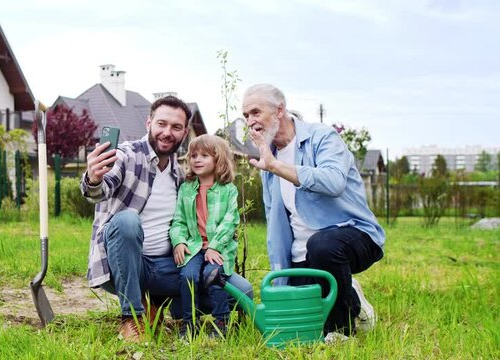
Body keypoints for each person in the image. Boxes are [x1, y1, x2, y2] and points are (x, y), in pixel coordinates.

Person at [81, 95, 252, 342]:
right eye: (161, 124)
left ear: (184, 133)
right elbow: (99, 190)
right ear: (149, 122)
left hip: (167, 266)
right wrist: (94, 178)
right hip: (126, 264)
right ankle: (133, 317)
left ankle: (160, 304)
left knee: (241, 292)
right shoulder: (126, 156)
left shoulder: (180, 176)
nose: (167, 132)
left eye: (176, 127)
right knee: (126, 220)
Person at [242, 84, 385, 340]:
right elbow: (275, 221)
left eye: (255, 112)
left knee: (323, 245)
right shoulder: (268, 157)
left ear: (279, 110)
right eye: (246, 116)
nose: (250, 121)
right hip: (303, 252)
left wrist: (277, 167)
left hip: (353, 236)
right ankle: (350, 293)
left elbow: (334, 182)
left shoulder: (322, 137)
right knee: (302, 311)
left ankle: (341, 332)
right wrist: (279, 275)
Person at [170, 135, 239, 339]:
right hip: (194, 246)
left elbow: (230, 221)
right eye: (193, 156)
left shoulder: (228, 190)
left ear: (218, 160)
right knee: (187, 276)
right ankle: (189, 324)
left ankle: (221, 324)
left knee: (213, 277)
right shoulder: (186, 189)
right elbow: (178, 220)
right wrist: (179, 241)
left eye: (204, 156)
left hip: (219, 248)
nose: (197, 160)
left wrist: (215, 246)